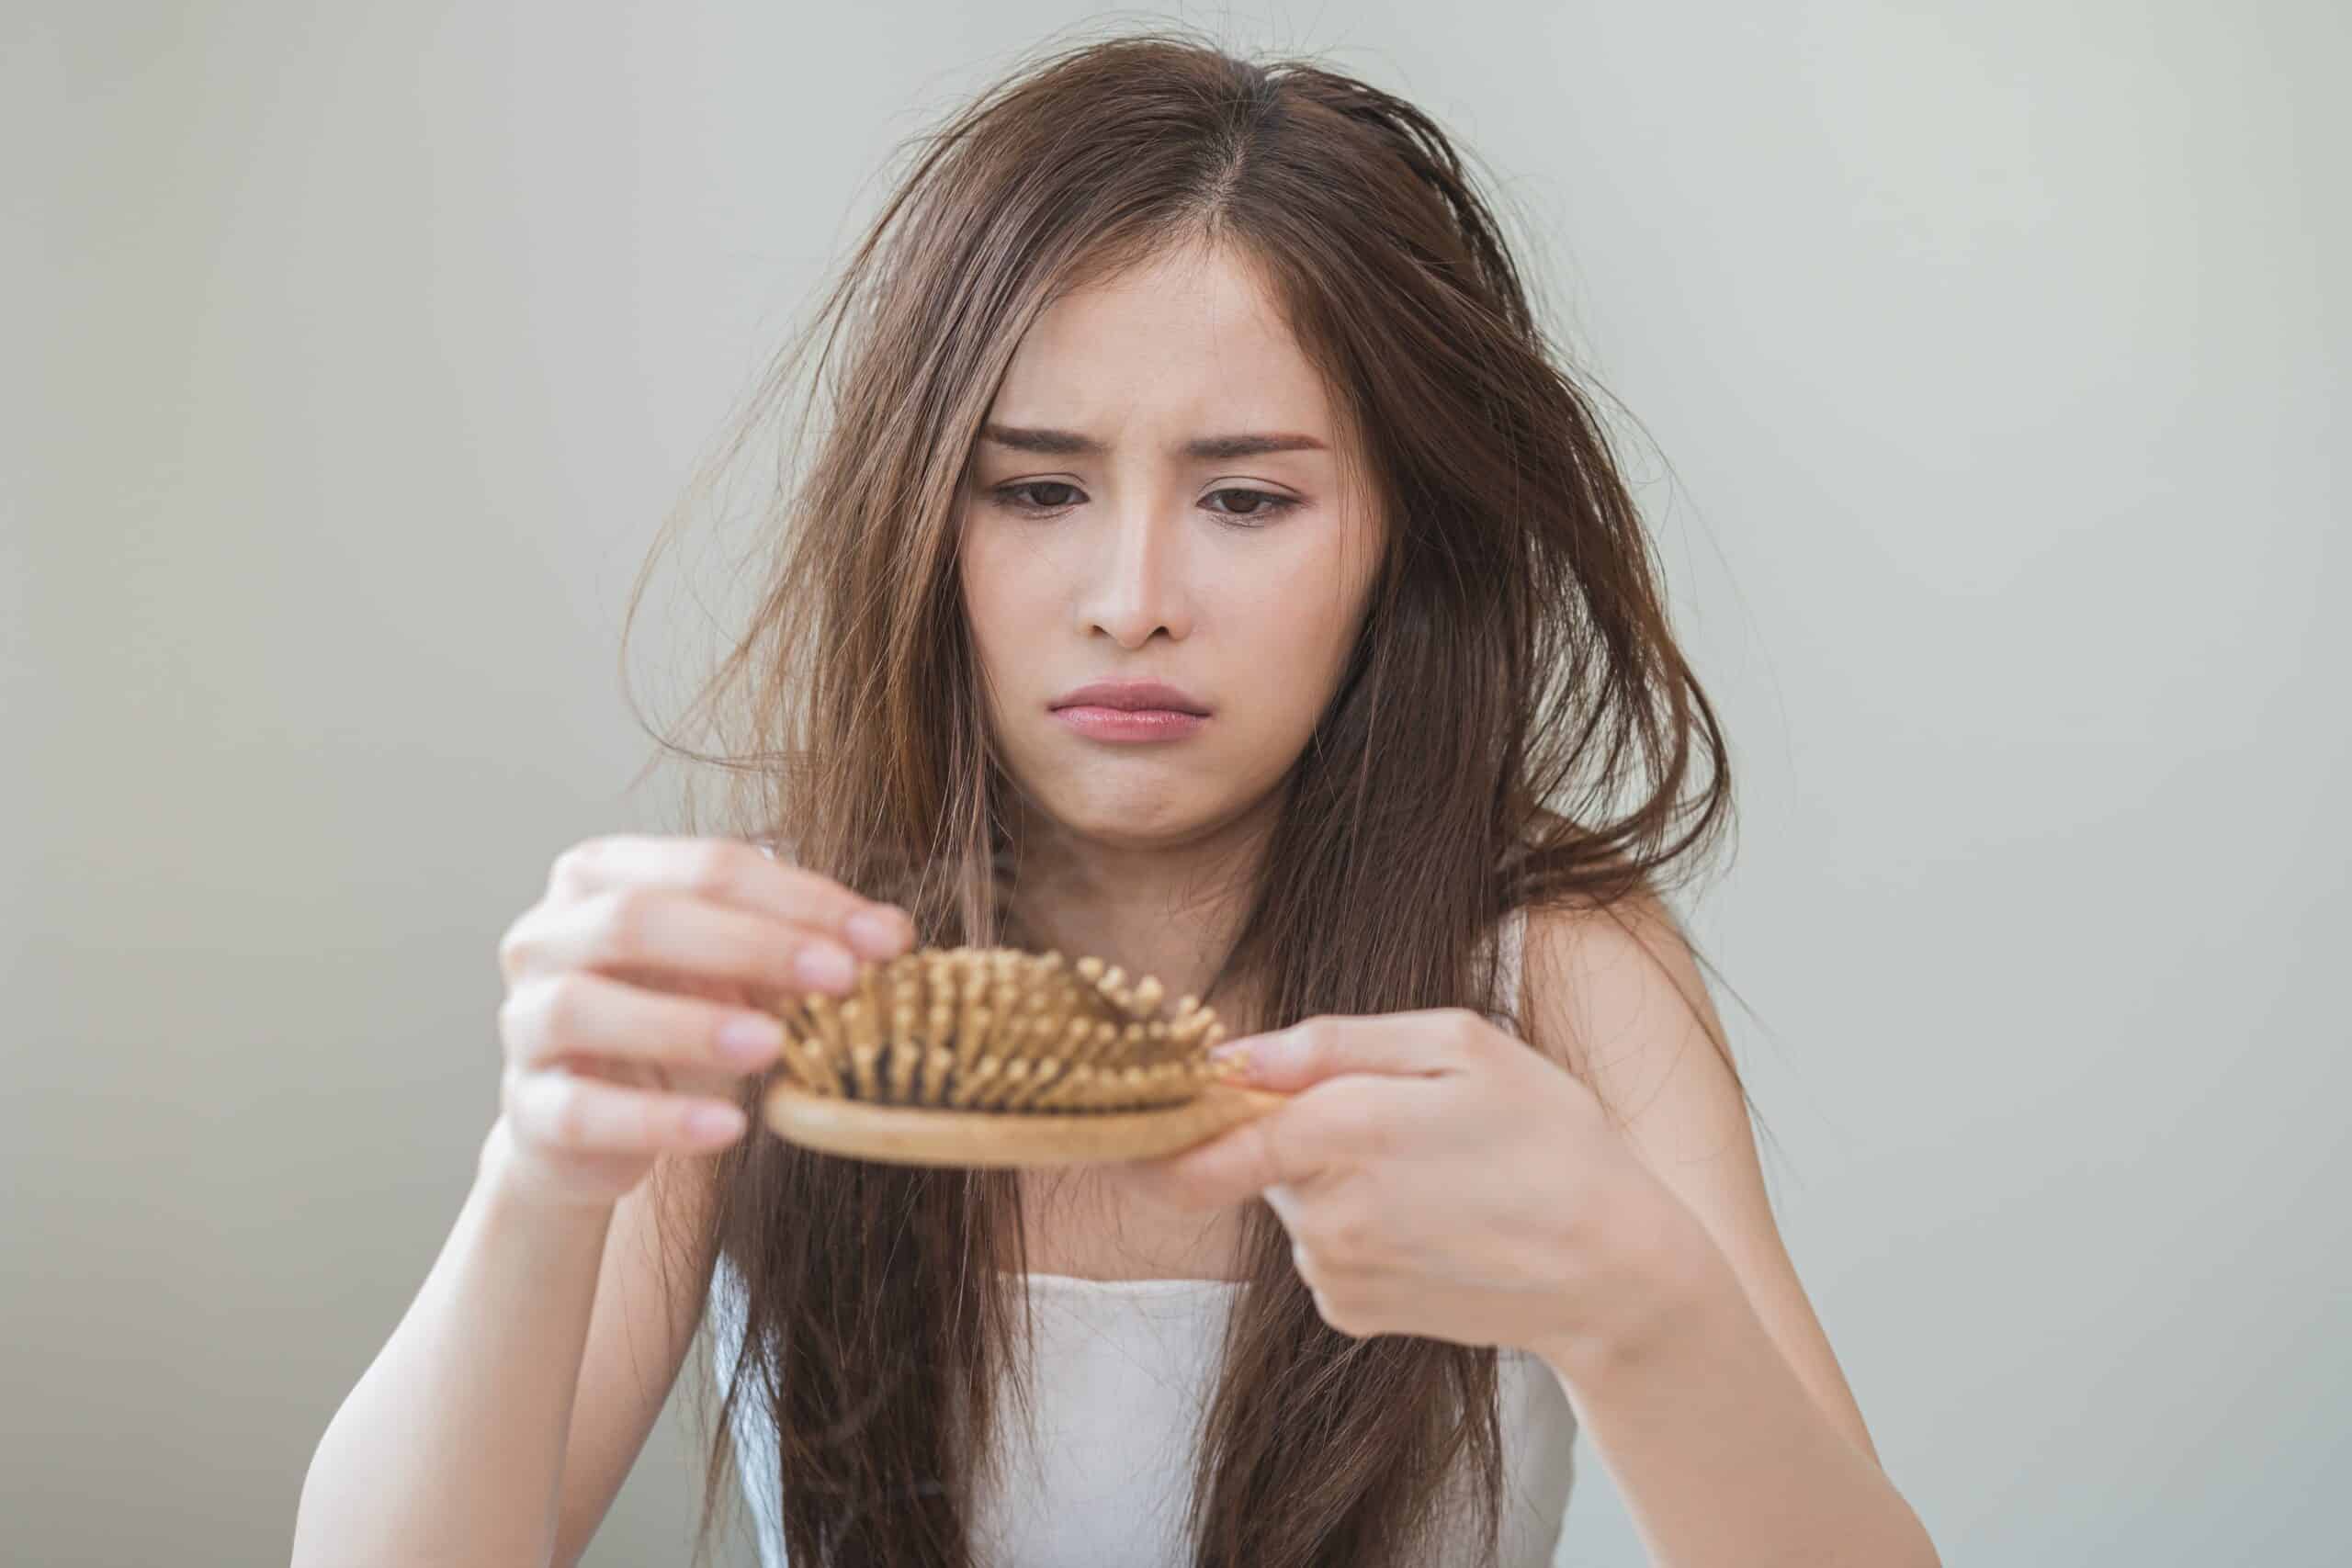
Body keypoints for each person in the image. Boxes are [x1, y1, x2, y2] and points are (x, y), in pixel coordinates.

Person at [292, 28, 1939, 1568]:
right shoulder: (757, 995)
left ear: (1399, 541)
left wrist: (1636, 1300)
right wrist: (539, 1177)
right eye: (1037, 489)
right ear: (927, 523)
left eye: (1244, 497)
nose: (1131, 593)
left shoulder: (1563, 977)